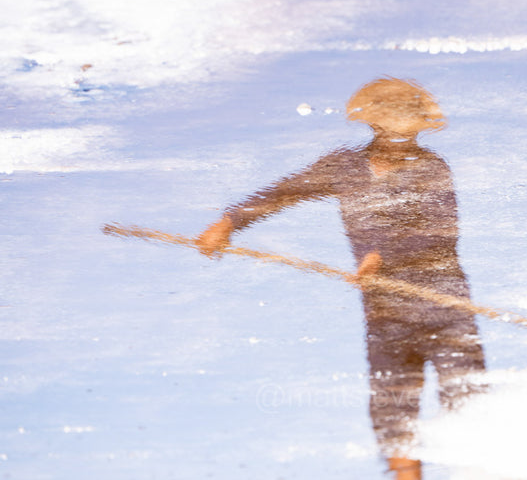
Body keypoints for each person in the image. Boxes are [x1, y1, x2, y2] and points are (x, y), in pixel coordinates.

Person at [196, 77, 486, 480]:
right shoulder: (344, 166)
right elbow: (284, 192)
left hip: (445, 305)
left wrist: (381, 257)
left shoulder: (431, 167)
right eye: (391, 125)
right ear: (374, 124)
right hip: (384, 313)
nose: (399, 135)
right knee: (391, 405)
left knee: (467, 400)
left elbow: (441, 230)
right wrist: (230, 221)